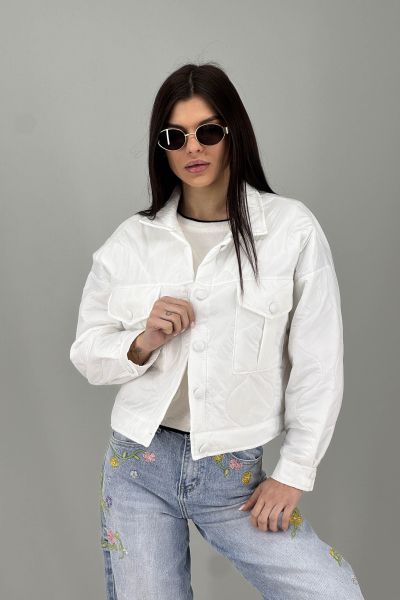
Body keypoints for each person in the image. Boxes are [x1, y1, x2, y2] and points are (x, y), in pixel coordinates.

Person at [70, 62, 365, 599]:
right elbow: (87, 352)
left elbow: (319, 363)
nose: (193, 148)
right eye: (174, 136)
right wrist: (141, 342)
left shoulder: (290, 230)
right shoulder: (132, 241)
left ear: (233, 133)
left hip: (234, 477)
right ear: (162, 148)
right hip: (139, 468)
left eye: (207, 131)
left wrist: (294, 472)